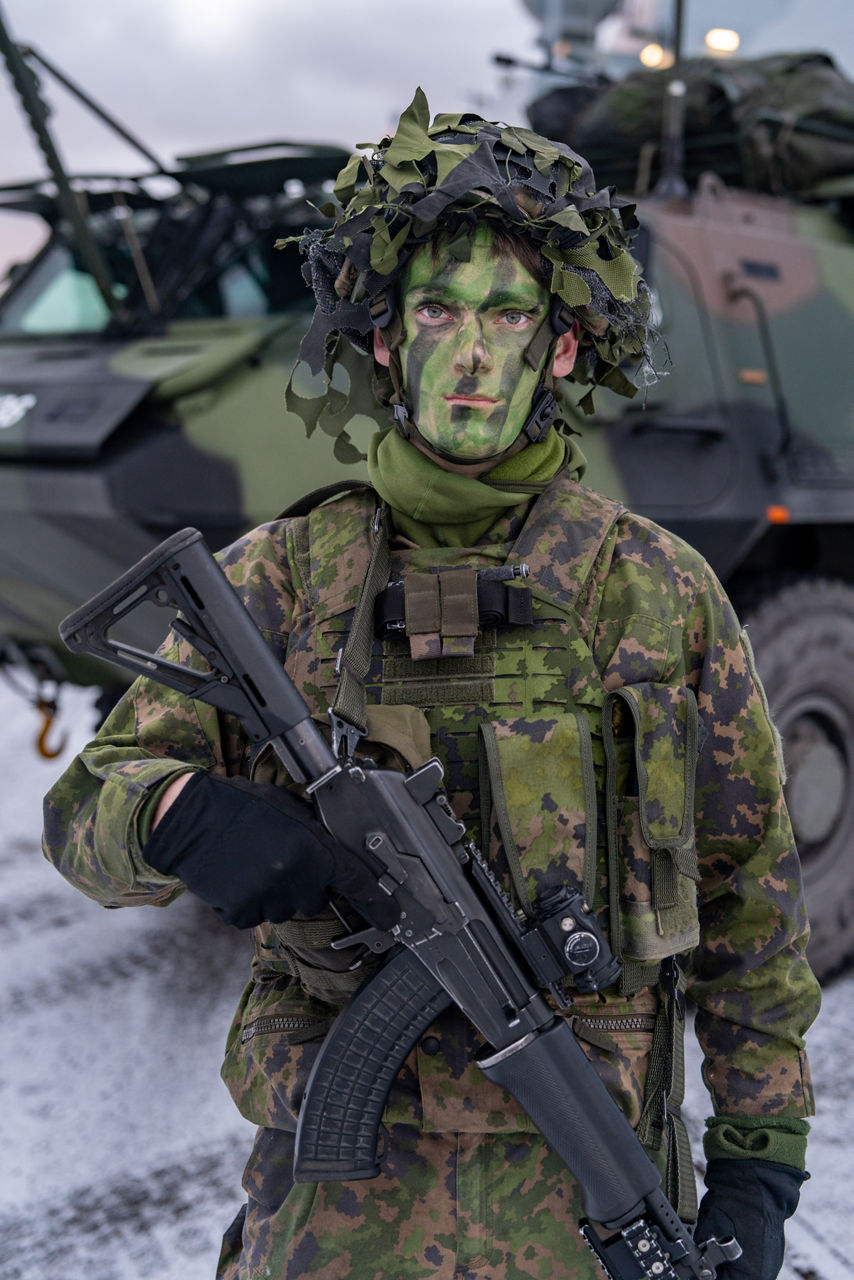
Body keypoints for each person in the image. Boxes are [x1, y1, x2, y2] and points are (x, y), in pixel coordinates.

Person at [43, 90, 820, 1280]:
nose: (469, 354)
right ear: (387, 341)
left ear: (558, 348)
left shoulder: (655, 591)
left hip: (589, 1205)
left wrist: (760, 1166)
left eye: (506, 314)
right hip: (333, 1226)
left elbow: (749, 910)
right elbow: (85, 812)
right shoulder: (284, 580)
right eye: (438, 310)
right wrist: (174, 814)